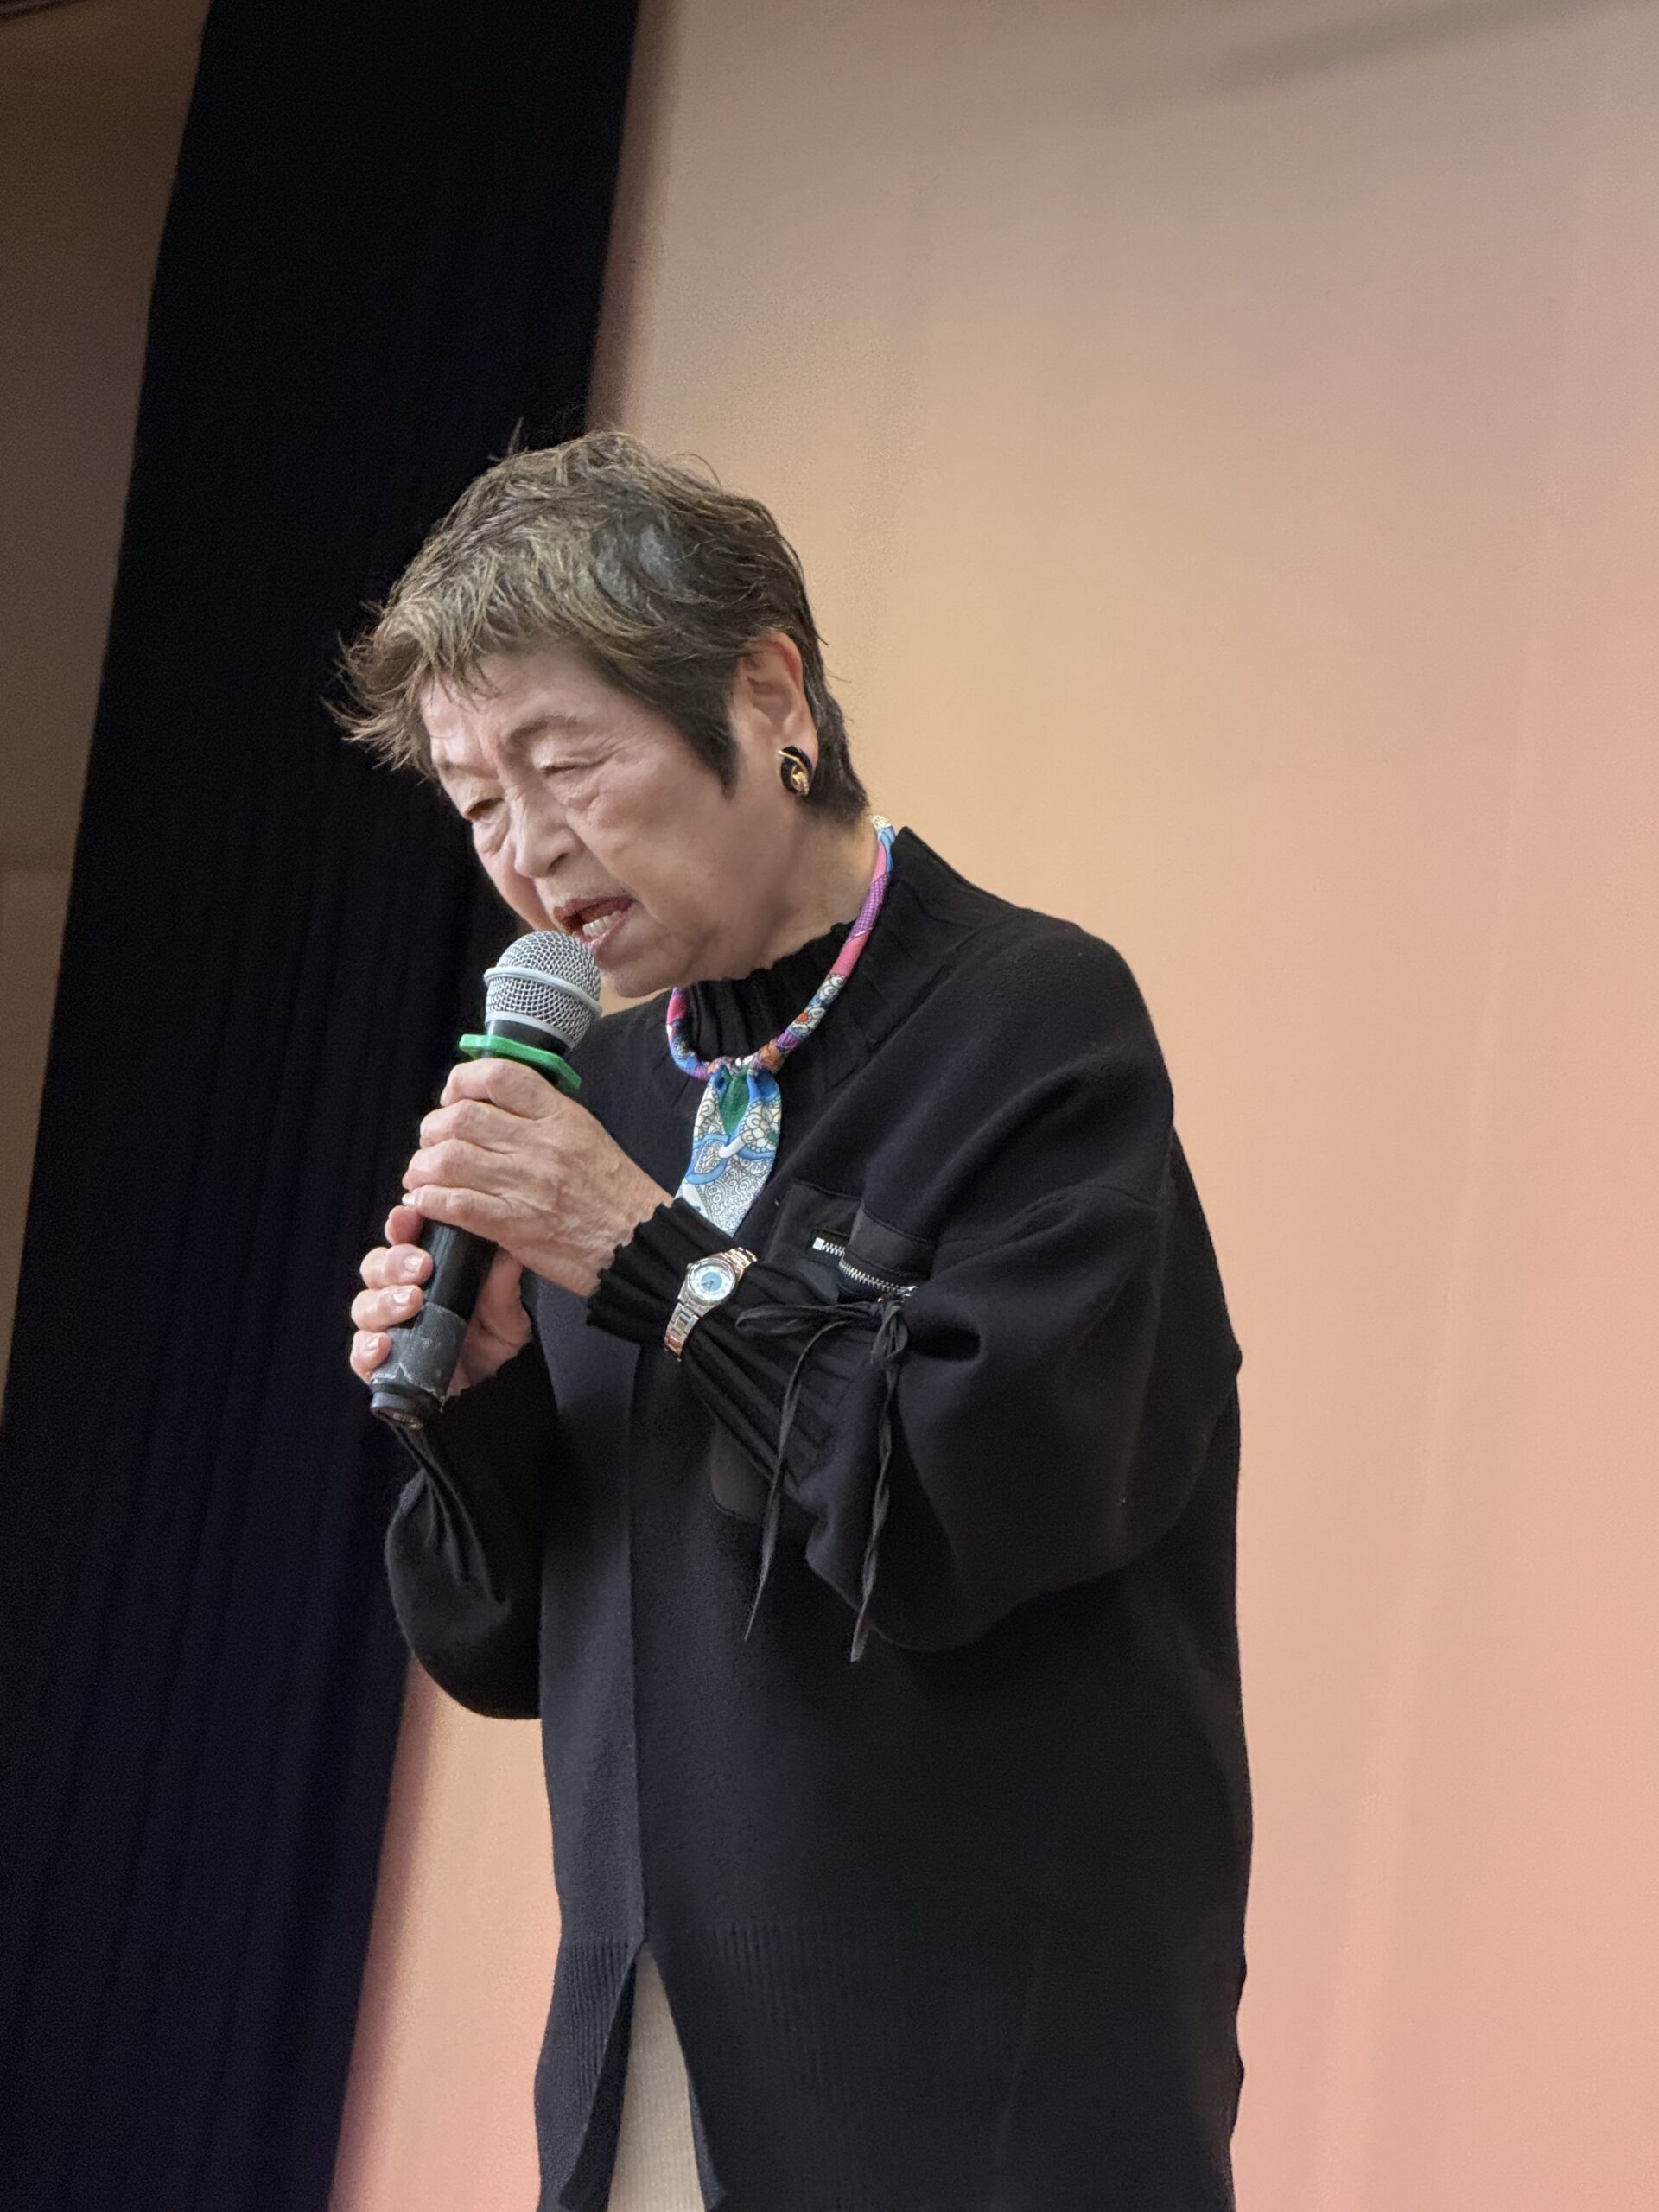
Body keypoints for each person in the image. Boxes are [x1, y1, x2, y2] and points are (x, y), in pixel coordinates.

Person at [338, 430, 1249, 2212]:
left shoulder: (1031, 1024)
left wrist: (651, 1255)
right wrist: (484, 1406)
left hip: (985, 2068)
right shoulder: (609, 1087)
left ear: (770, 695)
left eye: (565, 764)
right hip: (661, 2050)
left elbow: (970, 1509)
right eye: (475, 800)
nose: (528, 849)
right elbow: (498, 1647)